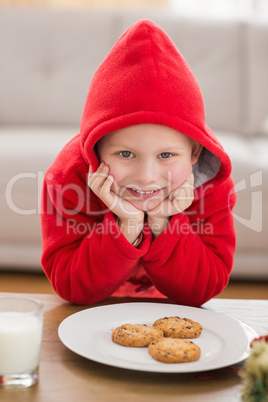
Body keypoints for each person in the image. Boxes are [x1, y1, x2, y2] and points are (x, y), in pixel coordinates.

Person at [40, 19, 236, 306]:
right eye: (126, 154)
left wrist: (162, 222)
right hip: (92, 316)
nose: (146, 176)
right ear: (95, 149)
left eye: (166, 155)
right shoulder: (66, 179)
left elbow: (205, 288)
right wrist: (127, 224)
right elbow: (71, 287)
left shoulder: (211, 185)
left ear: (195, 153)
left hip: (169, 311)